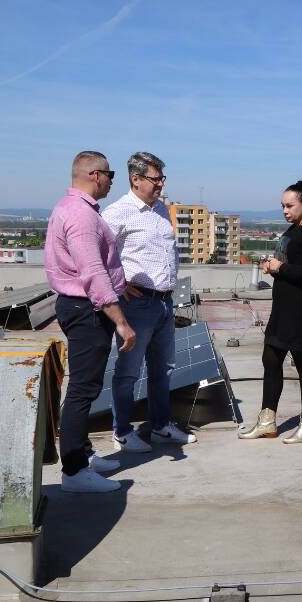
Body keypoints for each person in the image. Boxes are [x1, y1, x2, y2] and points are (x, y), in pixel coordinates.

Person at [45, 151, 137, 493]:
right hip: (87, 310)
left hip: (80, 307)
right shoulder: (81, 216)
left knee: (86, 386)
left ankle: (82, 453)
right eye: (110, 174)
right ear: (95, 175)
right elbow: (92, 272)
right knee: (83, 389)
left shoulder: (70, 209)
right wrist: (121, 321)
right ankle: (74, 471)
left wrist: (121, 286)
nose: (113, 180)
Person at [102, 152, 196, 453]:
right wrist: (119, 284)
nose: (160, 186)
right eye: (156, 180)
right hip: (138, 305)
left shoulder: (160, 210)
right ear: (136, 179)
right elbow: (98, 255)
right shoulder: (117, 213)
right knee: (129, 371)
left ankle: (160, 426)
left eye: (162, 179)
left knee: (163, 369)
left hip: (165, 304)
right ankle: (122, 432)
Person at [239, 180, 302, 443]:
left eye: (290, 205)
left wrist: (280, 268)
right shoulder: (294, 229)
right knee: (271, 358)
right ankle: (267, 422)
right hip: (284, 309)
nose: (285, 210)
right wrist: (273, 265)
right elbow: (288, 262)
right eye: (282, 206)